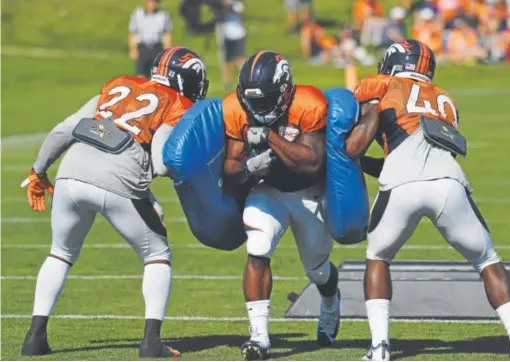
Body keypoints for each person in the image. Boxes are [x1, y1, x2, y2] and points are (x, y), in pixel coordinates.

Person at [343, 39, 510, 361]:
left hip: (399, 184)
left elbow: (376, 148)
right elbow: (425, 154)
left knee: (378, 257)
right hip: (448, 183)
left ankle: (379, 347)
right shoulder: (445, 98)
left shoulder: (379, 84)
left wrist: (345, 157)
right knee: (488, 261)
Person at [19, 47, 209, 358]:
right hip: (120, 178)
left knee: (60, 253)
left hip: (72, 169)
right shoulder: (178, 103)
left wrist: (38, 171)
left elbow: (64, 129)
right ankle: (150, 343)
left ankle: (34, 338)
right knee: (157, 255)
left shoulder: (119, 85)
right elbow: (162, 163)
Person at [222, 50, 341, 360]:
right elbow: (230, 167)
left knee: (317, 270)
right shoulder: (235, 108)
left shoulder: (308, 103)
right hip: (268, 190)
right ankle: (259, 337)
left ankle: (330, 301)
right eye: (254, 101)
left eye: (267, 99)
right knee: (257, 250)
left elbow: (312, 163)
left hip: (308, 192)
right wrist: (250, 166)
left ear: (286, 90)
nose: (259, 108)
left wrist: (270, 139)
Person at [129, 0, 173, 77]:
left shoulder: (163, 15)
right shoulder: (138, 14)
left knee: (156, 75)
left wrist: (167, 52)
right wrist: (133, 49)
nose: (151, 4)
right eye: (150, 2)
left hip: (157, 48)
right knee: (140, 76)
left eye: (154, 2)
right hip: (142, 48)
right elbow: (133, 33)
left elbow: (167, 34)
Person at [215, 0, 247, 90]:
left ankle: (245, 80)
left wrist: (227, 6)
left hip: (238, 34)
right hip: (224, 34)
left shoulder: (237, 3)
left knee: (240, 58)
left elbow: (238, 10)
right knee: (226, 60)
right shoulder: (218, 4)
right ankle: (227, 82)